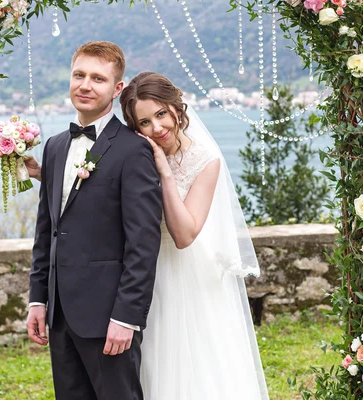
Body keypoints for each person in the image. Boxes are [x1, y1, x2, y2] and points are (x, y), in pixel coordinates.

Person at [119, 72, 270, 399]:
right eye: (145, 122)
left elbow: (185, 233)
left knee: (192, 366)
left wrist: (165, 173)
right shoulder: (136, 156)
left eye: (161, 114)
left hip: (187, 276)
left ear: (176, 108)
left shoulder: (206, 160)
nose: (157, 128)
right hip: (144, 273)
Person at [26, 42, 162, 400]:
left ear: (117, 89)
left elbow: (143, 243)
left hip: (108, 317)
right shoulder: (54, 147)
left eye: (98, 78)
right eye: (79, 75)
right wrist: (38, 299)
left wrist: (126, 317)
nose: (86, 85)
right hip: (59, 315)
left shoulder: (134, 150)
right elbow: (47, 230)